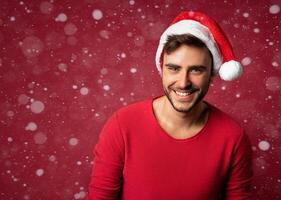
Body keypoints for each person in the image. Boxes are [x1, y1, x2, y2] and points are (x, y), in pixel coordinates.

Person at [87, 11, 253, 200]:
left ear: (212, 74)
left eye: (196, 70)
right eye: (173, 68)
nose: (183, 83)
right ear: (161, 69)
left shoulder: (233, 137)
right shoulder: (122, 126)